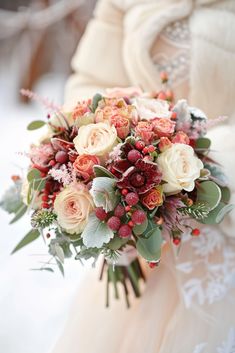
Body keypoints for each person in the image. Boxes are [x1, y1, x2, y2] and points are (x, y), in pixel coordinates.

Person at [52, 1, 235, 352]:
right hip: (142, 240)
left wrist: (207, 163)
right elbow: (88, 85)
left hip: (223, 234)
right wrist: (107, 162)